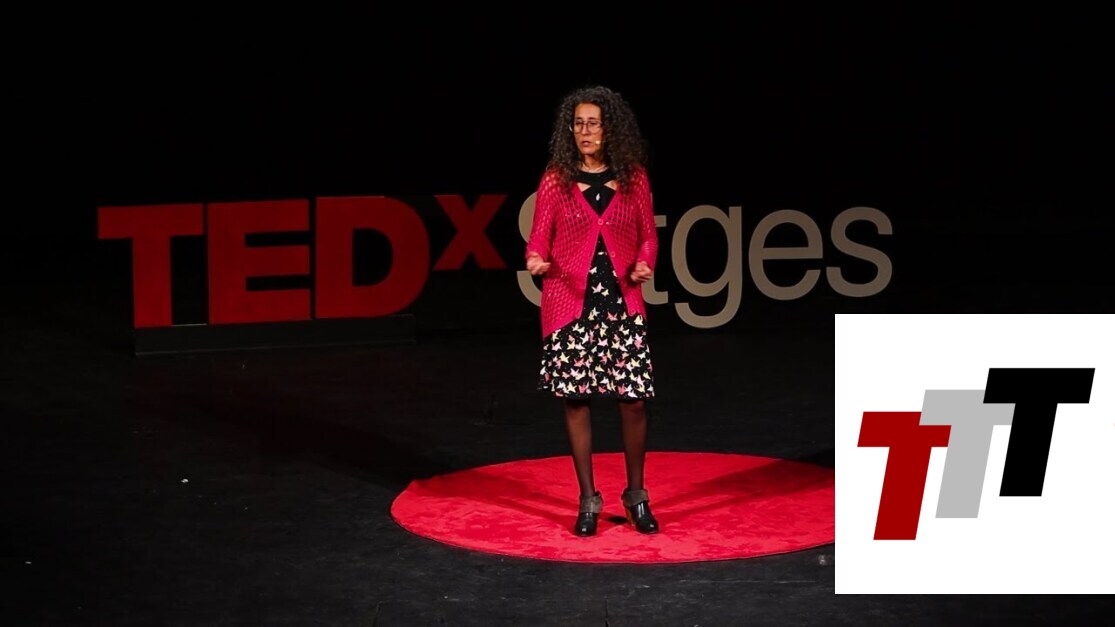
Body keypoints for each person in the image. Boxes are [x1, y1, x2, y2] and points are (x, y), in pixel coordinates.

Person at [525, 85, 659, 537]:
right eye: (578, 123)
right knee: (576, 399)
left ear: (609, 129)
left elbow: (648, 235)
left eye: (593, 123)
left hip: (621, 301)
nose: (585, 131)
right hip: (569, 303)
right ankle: (588, 500)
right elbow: (538, 237)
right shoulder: (556, 180)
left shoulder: (634, 178)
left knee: (633, 399)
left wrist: (644, 262)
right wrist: (535, 259)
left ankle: (636, 496)